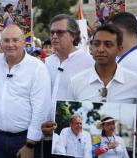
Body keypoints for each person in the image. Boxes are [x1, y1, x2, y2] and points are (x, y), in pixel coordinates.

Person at [0, 24, 52, 158]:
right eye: (6, 40)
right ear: (1, 44)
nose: (10, 44)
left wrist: (30, 144)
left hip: (24, 140)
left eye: (15, 40)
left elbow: (41, 109)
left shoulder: (37, 68)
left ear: (24, 42)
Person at [41, 14, 94, 158]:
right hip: (47, 135)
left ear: (73, 35)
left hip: (72, 138)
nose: (54, 36)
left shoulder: (88, 63)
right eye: (52, 32)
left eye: (60, 32)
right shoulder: (47, 62)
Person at [67, 24, 137, 104]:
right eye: (96, 44)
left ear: (119, 50)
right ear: (91, 48)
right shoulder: (76, 82)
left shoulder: (135, 81)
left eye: (108, 45)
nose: (101, 49)